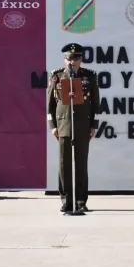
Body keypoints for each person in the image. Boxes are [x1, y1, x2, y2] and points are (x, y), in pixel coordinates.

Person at [47, 43, 100, 215]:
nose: (72, 61)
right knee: (64, 164)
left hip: (83, 125)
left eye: (76, 58)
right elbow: (50, 105)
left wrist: (93, 125)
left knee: (81, 164)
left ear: (81, 59)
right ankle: (66, 200)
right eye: (69, 58)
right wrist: (52, 126)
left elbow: (96, 104)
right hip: (63, 125)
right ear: (65, 59)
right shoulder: (56, 76)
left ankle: (80, 201)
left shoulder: (90, 76)